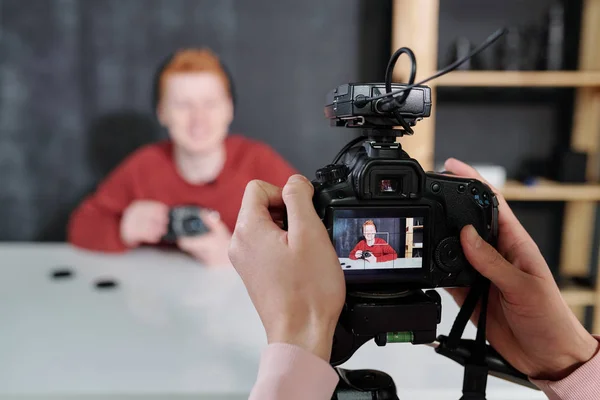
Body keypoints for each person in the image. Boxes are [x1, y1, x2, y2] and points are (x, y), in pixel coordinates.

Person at [228, 158, 600, 400]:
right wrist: (571, 363)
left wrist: (298, 339)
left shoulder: (386, 250)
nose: (371, 236)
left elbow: (387, 257)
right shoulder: (358, 245)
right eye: (368, 231)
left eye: (374, 232)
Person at [67, 48, 297, 266]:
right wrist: (122, 229)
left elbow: (311, 233)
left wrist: (236, 257)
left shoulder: (257, 163)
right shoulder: (144, 166)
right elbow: (81, 227)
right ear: (162, 113)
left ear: (229, 109)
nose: (199, 119)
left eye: (210, 103)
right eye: (182, 105)